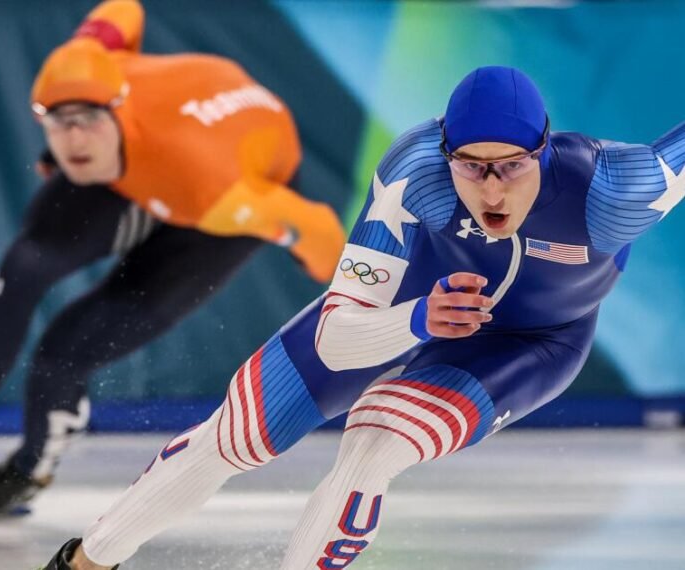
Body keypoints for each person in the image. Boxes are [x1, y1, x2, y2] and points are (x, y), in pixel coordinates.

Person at [39, 65, 685, 569]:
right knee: (233, 436)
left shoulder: (616, 190)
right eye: (471, 167)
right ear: (445, 153)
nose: (491, 188)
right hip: (409, 305)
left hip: (529, 344)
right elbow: (339, 337)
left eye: (511, 167)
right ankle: (84, 563)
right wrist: (418, 320)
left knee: (374, 440)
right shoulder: (416, 174)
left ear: (543, 154)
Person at [0, 0, 345, 520]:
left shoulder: (217, 192)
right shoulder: (86, 59)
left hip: (221, 186)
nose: (72, 140)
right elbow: (124, 8)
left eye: (87, 120)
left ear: (116, 110)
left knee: (64, 351)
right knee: (20, 273)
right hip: (144, 159)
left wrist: (331, 276)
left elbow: (321, 231)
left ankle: (27, 472)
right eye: (57, 121)